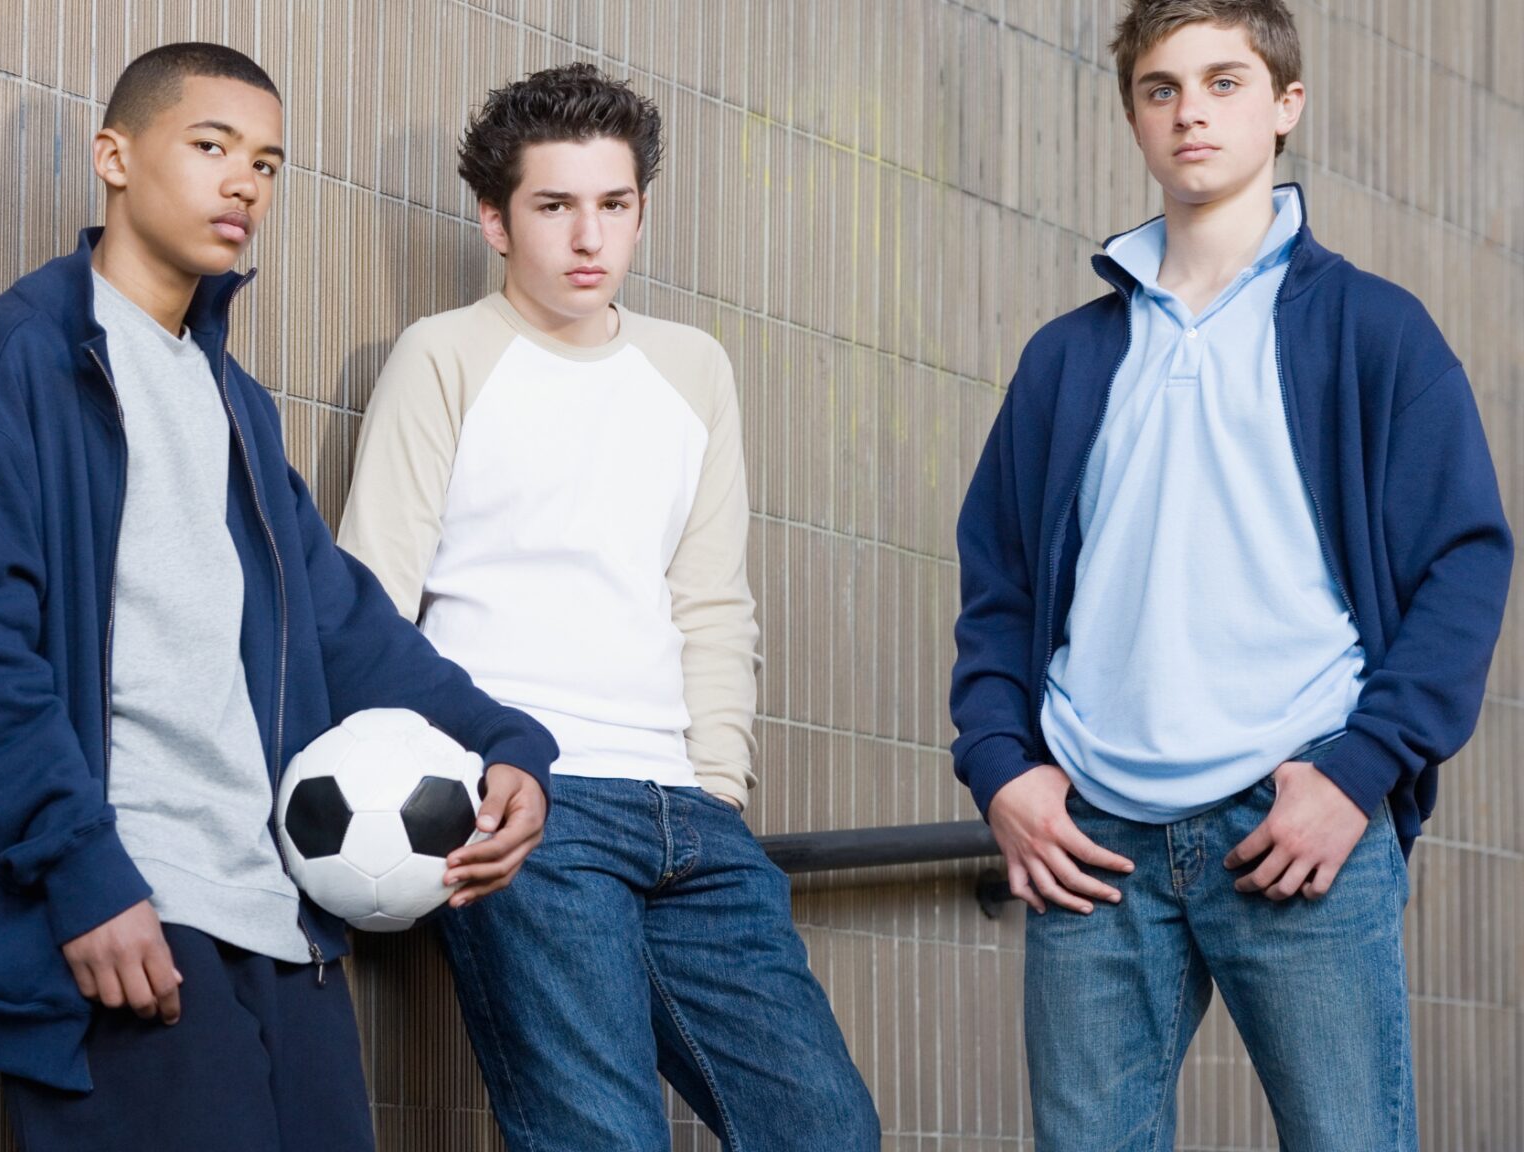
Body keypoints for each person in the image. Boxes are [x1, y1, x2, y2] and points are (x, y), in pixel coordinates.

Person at [0, 42, 557, 1152]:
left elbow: (339, 621)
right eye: (210, 147)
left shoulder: (233, 405)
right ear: (114, 156)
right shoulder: (16, 369)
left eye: (266, 162)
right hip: (127, 917)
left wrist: (503, 743)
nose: (243, 182)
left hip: (274, 914)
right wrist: (81, 874)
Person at [948, 2, 1512, 1148]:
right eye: (1159, 88)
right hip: (1092, 839)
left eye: (1221, 81)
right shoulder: (1065, 358)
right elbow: (998, 583)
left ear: (1283, 105)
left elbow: (1463, 562)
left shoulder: (1370, 330)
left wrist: (1358, 773)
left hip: (1294, 818)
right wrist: (1002, 768)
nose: (1188, 110)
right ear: (1132, 117)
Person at [338, 61, 882, 1152]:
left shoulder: (692, 369)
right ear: (493, 220)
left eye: (613, 205)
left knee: (824, 1129)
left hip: (690, 818)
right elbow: (370, 598)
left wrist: (719, 783)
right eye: (552, 206)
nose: (588, 237)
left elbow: (711, 597)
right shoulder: (444, 357)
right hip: (534, 812)